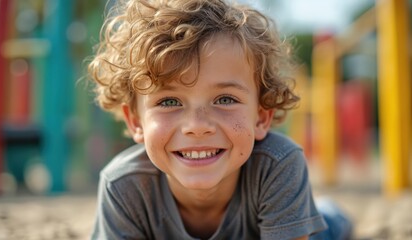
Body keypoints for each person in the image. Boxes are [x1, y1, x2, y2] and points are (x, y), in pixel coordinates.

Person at [88, 0, 351, 239]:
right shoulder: (123, 186)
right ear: (135, 122)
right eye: (169, 102)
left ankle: (329, 213)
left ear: (261, 117)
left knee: (328, 227)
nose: (197, 126)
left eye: (225, 100)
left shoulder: (278, 164)